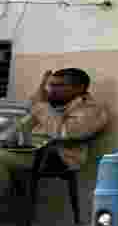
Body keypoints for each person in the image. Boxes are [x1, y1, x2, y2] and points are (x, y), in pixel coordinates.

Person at [0, 68, 110, 199]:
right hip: (27, 150)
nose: (52, 89)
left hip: (58, 156)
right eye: (50, 85)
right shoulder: (53, 104)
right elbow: (21, 126)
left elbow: (64, 133)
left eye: (59, 85)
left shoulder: (91, 110)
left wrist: (41, 106)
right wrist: (37, 101)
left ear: (79, 88)